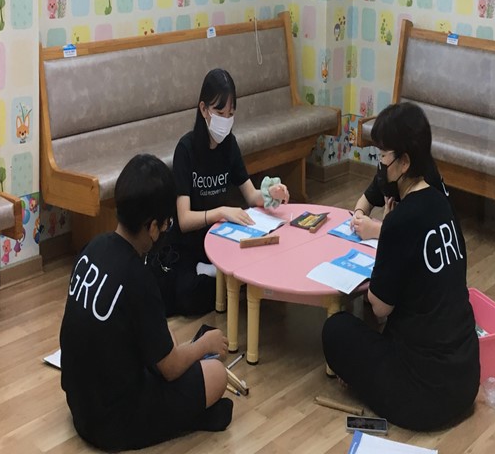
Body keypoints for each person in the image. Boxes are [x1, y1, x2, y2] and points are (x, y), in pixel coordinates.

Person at [322, 102, 479, 431]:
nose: (380, 165)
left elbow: (379, 307)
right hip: (466, 380)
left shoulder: (400, 221)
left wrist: (388, 237)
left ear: (405, 161)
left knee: (336, 330)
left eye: (383, 157)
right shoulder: (443, 203)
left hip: (422, 396)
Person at [61, 154, 234, 451]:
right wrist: (204, 345)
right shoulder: (139, 278)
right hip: (113, 422)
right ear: (153, 227)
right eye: (166, 224)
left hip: (80, 405)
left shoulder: (94, 247)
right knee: (216, 375)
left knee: (170, 342)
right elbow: (170, 368)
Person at [163, 68, 289, 315]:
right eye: (220, 113)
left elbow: (251, 195)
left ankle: (220, 276)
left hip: (222, 238)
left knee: (266, 267)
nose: (226, 120)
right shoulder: (186, 149)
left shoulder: (229, 145)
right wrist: (221, 211)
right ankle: (220, 277)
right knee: (187, 297)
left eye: (230, 114)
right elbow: (184, 220)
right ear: (203, 109)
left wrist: (271, 193)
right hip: (190, 243)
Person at [350, 154, 449, 241]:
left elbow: (414, 236)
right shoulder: (390, 175)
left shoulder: (425, 186)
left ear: (404, 162)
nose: (380, 162)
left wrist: (377, 229)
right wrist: (358, 216)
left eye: (383, 155)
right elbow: (366, 199)